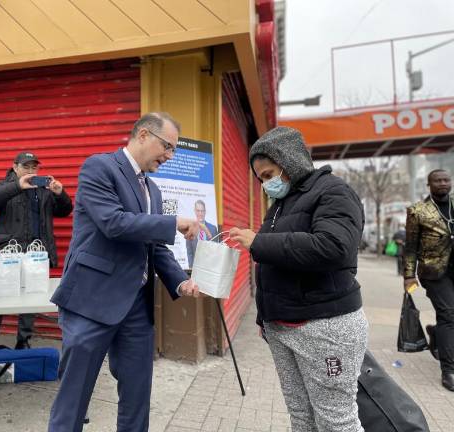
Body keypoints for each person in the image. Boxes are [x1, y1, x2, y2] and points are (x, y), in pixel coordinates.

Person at [48, 112, 202, 432]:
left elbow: (155, 247)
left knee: (137, 395)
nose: (170, 156)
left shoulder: (154, 191)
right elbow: (113, 223)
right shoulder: (99, 167)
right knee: (74, 396)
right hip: (92, 299)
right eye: (167, 146)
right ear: (144, 135)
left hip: (136, 307)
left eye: (174, 150)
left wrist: (180, 280)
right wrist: (172, 223)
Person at [229, 126, 367, 432]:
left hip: (324, 328)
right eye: (261, 179)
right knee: (301, 416)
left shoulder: (333, 191)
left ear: (289, 161)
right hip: (283, 327)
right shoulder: (280, 205)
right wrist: (265, 317)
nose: (266, 184)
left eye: (269, 174)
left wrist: (258, 242)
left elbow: (335, 248)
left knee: (336, 421)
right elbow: (279, 259)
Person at [0, 152, 73, 351]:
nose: (31, 171)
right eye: (26, 167)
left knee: (30, 299)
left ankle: (23, 340)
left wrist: (60, 193)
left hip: (36, 254)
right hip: (8, 254)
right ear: (15, 167)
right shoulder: (5, 185)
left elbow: (65, 210)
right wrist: (17, 186)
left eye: (34, 167)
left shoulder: (44, 188)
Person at [403, 169, 454, 391]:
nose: (443, 183)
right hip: (434, 272)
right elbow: (411, 246)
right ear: (429, 184)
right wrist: (408, 276)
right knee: (449, 315)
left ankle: (437, 335)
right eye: (438, 180)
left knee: (448, 321)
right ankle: (449, 370)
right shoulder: (418, 211)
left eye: (446, 180)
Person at [185, 199, 218, 267]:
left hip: (210, 267)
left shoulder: (213, 229)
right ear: (195, 211)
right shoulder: (190, 229)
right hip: (196, 268)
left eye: (202, 211)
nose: (200, 213)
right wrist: (191, 269)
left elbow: (216, 250)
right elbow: (190, 252)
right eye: (198, 211)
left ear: (205, 212)